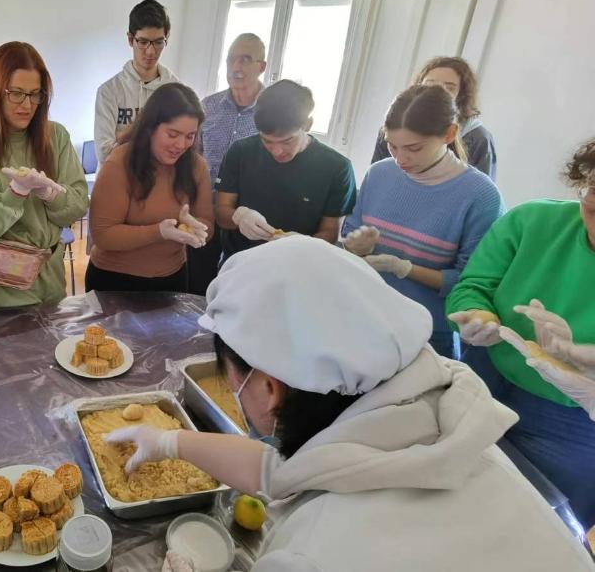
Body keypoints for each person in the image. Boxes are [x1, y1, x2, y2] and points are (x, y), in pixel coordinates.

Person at [106, 237, 595, 572]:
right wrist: (170, 441)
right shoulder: (438, 426)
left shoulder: (312, 556)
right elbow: (291, 471)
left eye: (230, 375)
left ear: (270, 387)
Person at [447, 137, 595, 529]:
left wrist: (585, 366)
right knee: (454, 499)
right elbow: (473, 285)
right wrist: (478, 315)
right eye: (594, 195)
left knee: (541, 526)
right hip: (486, 377)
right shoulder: (531, 222)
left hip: (574, 420)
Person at [342, 84, 503, 359]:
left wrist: (404, 268)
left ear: (449, 134)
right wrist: (354, 247)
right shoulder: (379, 175)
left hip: (428, 331)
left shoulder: (480, 195)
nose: (400, 159)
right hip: (365, 312)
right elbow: (350, 234)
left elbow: (470, 282)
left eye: (414, 148)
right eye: (392, 146)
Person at [0, 41, 88, 308]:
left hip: (48, 286)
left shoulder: (56, 136)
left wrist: (50, 193)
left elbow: (77, 206)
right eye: (16, 93)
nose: (27, 104)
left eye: (35, 94)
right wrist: (16, 193)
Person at [86, 83, 212, 293]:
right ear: (150, 128)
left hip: (172, 276)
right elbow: (103, 235)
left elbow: (207, 222)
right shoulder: (120, 163)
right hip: (115, 280)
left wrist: (195, 227)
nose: (181, 145)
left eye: (190, 136)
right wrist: (159, 232)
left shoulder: (196, 166)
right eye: (173, 134)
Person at [215, 80, 356, 262]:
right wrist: (239, 217)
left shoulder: (337, 168)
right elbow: (221, 212)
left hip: (298, 265)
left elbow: (330, 233)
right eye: (267, 141)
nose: (277, 151)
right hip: (239, 261)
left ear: (307, 124)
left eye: (287, 141)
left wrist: (300, 243)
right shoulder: (241, 151)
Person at [188, 33, 266, 295]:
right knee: (197, 286)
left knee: (238, 291)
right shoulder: (208, 107)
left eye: (245, 59)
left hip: (247, 220)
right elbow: (193, 156)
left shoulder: (270, 112)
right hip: (205, 213)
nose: (236, 67)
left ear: (261, 66)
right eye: (231, 59)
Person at [372, 56, 497, 178]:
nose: (437, 93)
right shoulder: (392, 131)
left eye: (449, 88)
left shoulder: (479, 138)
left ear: (463, 95)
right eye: (429, 85)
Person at [94, 0, 180, 163]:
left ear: (166, 38)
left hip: (157, 177)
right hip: (115, 177)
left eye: (158, 42)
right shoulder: (109, 91)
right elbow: (105, 155)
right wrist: (140, 125)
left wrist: (121, 137)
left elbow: (175, 150)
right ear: (130, 39)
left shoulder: (175, 91)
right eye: (143, 42)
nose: (150, 51)